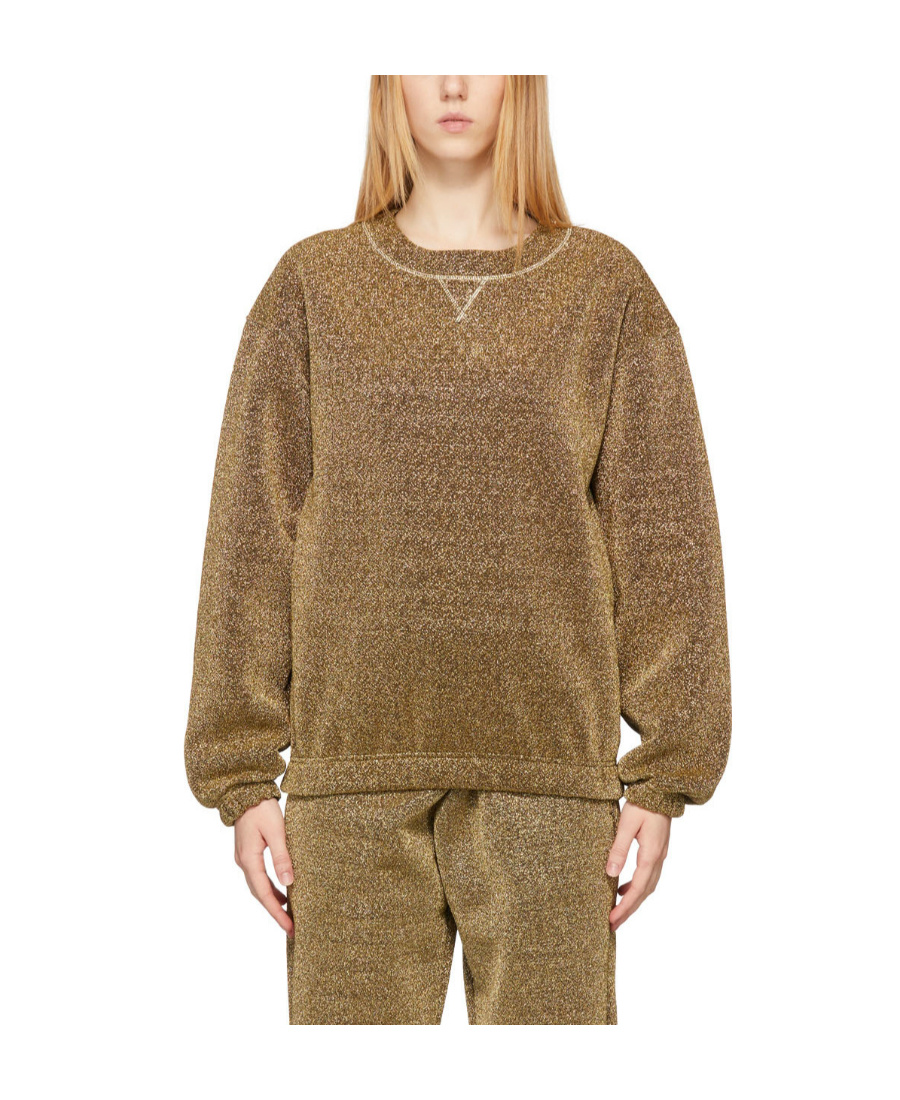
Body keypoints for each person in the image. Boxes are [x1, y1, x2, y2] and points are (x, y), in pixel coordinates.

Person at [183, 75, 731, 1025]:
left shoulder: (604, 289)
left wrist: (668, 772)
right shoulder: (313, 285)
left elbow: (665, 534)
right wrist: (240, 776)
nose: (450, 81)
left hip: (551, 785)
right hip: (350, 783)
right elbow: (251, 532)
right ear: (384, 84)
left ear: (522, 80)